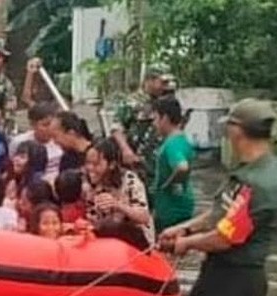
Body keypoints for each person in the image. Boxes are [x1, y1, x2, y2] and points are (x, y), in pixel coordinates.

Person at [160, 98, 277, 296]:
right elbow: (221, 211)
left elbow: (226, 237)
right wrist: (183, 228)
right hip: (215, 275)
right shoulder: (245, 170)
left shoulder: (262, 183)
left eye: (228, 128)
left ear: (237, 131)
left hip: (239, 283)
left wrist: (187, 243)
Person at [83, 138, 154, 250]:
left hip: (136, 241)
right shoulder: (91, 186)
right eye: (88, 163)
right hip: (107, 241)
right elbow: (93, 220)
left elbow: (143, 217)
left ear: (111, 164)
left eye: (96, 164)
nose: (90, 168)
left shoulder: (130, 181)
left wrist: (117, 205)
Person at [117, 65, 173, 186]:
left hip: (159, 165)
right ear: (149, 80)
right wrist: (125, 149)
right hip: (137, 164)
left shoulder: (166, 101)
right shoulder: (132, 102)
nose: (166, 86)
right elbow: (116, 128)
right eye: (162, 82)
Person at [152, 96, 195, 232]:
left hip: (173, 211)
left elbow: (182, 167)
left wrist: (168, 184)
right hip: (175, 206)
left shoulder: (173, 144)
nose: (154, 124)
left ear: (164, 118)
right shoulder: (180, 139)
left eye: (155, 118)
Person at [9, 102, 64, 178]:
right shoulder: (19, 142)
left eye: (52, 124)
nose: (49, 128)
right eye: (45, 125)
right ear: (33, 125)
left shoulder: (62, 143)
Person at [5, 140, 48, 205]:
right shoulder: (14, 179)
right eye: (16, 155)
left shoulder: (37, 185)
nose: (16, 159)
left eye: (22, 157)